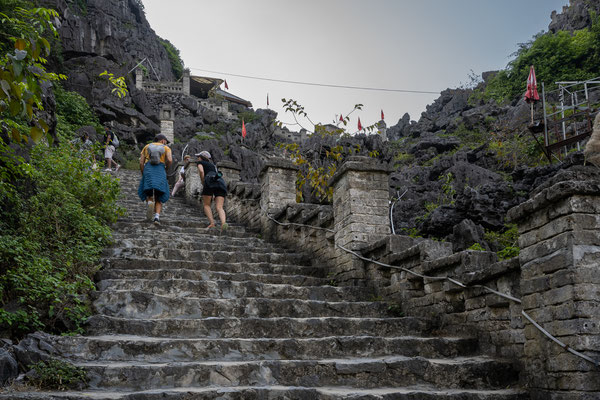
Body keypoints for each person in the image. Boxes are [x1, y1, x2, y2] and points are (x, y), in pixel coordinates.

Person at [138, 134, 173, 224]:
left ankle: (150, 204)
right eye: (165, 141)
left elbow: (141, 162)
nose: (166, 143)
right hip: (160, 170)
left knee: (149, 194)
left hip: (148, 169)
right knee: (159, 197)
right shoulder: (166, 148)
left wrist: (143, 173)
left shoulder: (147, 146)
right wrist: (166, 168)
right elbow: (169, 160)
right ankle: (157, 217)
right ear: (162, 140)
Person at [196, 151, 228, 230]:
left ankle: (212, 223)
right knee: (219, 207)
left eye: (198, 156)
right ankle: (223, 223)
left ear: (201, 157)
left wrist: (203, 181)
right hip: (219, 181)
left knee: (206, 205)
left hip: (209, 180)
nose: (197, 158)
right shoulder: (213, 166)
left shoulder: (200, 163)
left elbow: (201, 171)